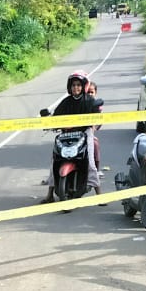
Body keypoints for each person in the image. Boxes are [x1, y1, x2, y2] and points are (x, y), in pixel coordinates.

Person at [42, 71, 102, 203]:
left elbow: (98, 115)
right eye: (74, 85)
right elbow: (55, 117)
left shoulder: (90, 101)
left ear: (83, 86)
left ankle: (99, 195)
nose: (76, 88)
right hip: (65, 136)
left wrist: (94, 122)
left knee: (91, 163)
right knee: (54, 162)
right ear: (70, 87)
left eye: (79, 85)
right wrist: (48, 121)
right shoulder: (66, 102)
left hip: (84, 134)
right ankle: (50, 195)